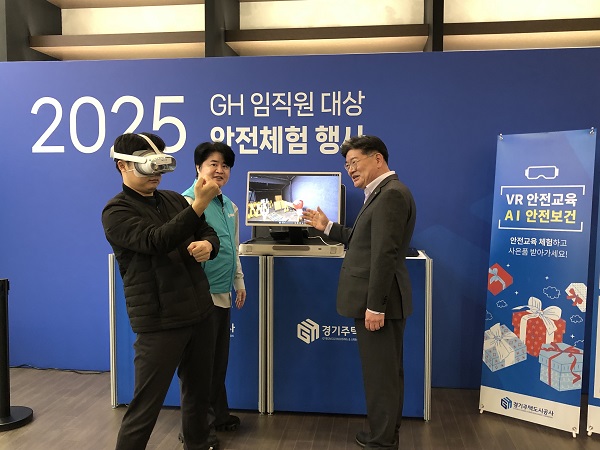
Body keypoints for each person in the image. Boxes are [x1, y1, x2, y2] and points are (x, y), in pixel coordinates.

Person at [101, 132, 221, 450]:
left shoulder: (173, 199)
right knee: (145, 406)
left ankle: (198, 444)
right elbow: (157, 240)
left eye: (160, 166)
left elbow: (206, 230)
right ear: (123, 165)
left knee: (199, 394)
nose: (156, 174)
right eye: (148, 166)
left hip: (199, 311)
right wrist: (199, 204)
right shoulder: (116, 212)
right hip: (160, 321)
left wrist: (209, 244)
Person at [303, 135, 416, 450]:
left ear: (377, 158)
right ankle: (386, 433)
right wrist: (328, 227)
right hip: (381, 301)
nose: (350, 169)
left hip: (380, 303)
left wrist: (376, 306)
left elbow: (384, 255)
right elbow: (366, 239)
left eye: (355, 162)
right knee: (385, 373)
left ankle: (382, 440)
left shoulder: (391, 195)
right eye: (347, 164)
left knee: (381, 375)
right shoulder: (382, 192)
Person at [182, 141, 246, 434]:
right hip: (198, 296)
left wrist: (238, 281)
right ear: (198, 168)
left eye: (225, 165)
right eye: (213, 164)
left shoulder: (230, 206)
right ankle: (196, 429)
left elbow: (234, 247)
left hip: (222, 293)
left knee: (217, 362)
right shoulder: (186, 203)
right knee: (198, 367)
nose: (220, 170)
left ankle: (218, 415)